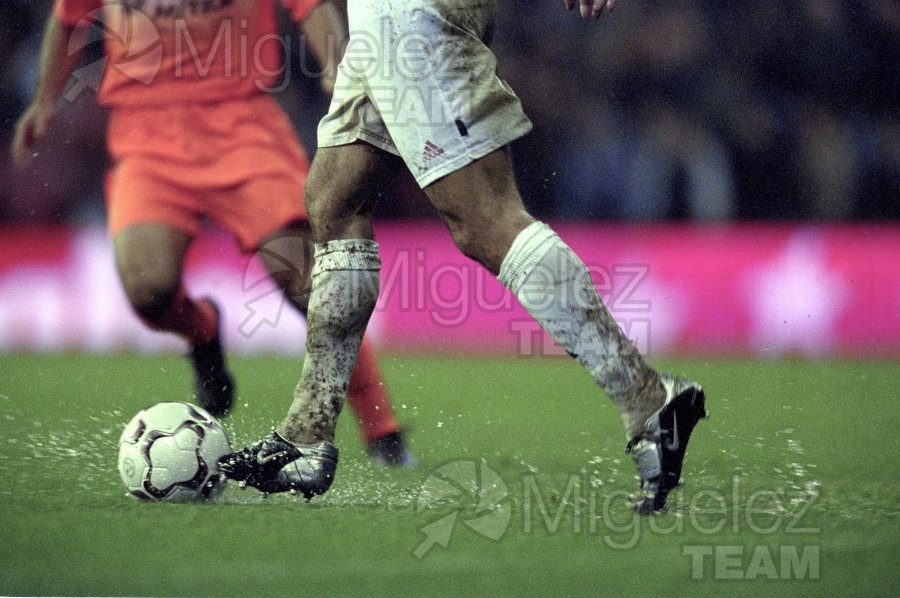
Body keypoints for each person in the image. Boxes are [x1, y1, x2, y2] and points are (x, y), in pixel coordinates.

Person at [219, 0, 708, 514]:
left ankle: (647, 400)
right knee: (333, 201)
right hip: (379, 18)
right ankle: (306, 433)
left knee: (486, 219)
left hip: (405, 14)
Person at [12, 0, 414, 467]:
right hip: (147, 134)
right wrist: (44, 102)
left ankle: (382, 428)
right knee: (149, 291)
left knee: (309, 283)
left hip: (242, 124)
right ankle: (203, 332)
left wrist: (335, 67)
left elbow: (309, 6)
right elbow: (66, 20)